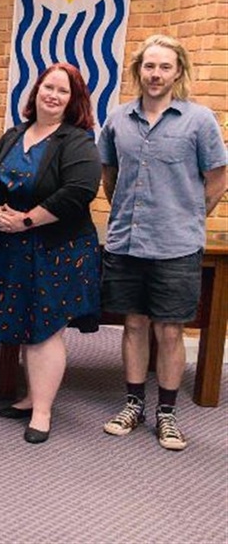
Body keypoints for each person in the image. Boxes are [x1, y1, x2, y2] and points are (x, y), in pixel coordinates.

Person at [98, 34, 227, 451]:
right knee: (134, 324)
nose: (156, 75)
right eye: (149, 67)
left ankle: (166, 414)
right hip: (127, 243)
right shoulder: (118, 119)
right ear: (139, 71)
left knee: (170, 330)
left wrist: (188, 217)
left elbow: (218, 178)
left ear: (178, 72)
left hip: (176, 246)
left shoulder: (199, 120)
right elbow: (109, 176)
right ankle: (133, 403)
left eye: (164, 67)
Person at [0, 63, 102, 444]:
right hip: (12, 246)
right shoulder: (15, 135)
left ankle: (43, 412)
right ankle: (32, 396)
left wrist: (26, 221)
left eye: (63, 91)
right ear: (36, 91)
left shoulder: (77, 141)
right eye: (48, 87)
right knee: (28, 325)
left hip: (57, 248)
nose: (53, 95)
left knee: (46, 330)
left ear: (73, 100)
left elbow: (79, 192)